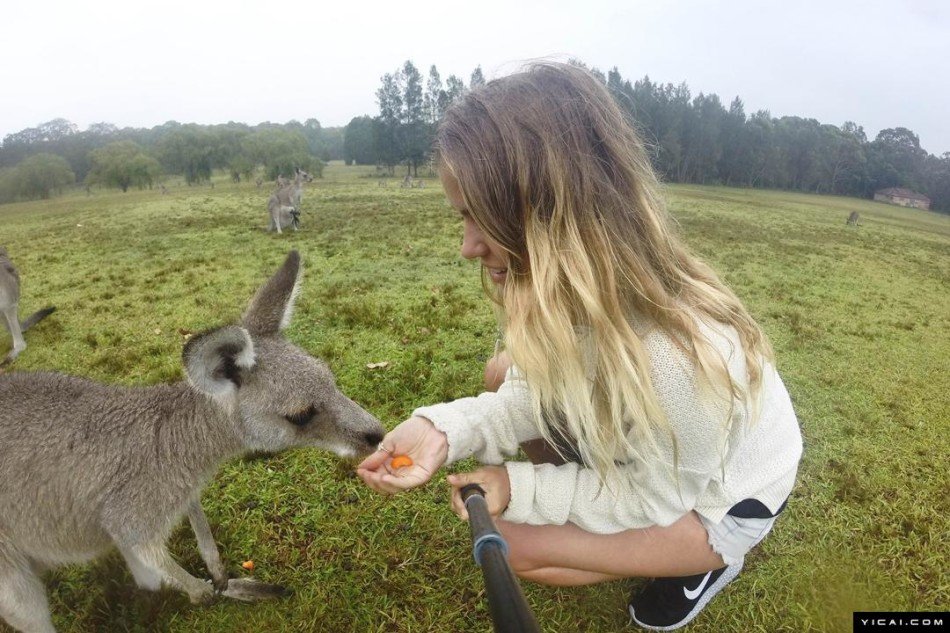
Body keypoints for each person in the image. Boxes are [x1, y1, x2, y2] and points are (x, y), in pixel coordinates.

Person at [357, 62, 802, 631]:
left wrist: (518, 486)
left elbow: (654, 499)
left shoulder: (683, 360)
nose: (467, 247)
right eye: (462, 217)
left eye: (481, 219)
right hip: (662, 458)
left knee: (515, 547)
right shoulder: (561, 293)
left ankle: (704, 563)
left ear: (553, 218)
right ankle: (606, 502)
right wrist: (446, 430)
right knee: (504, 371)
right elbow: (524, 396)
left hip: (718, 501)